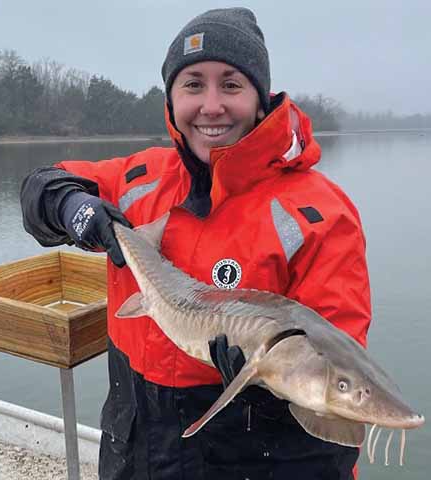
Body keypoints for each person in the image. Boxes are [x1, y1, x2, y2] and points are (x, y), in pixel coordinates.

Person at [20, 7, 371, 480]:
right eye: (192, 85)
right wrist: (70, 207)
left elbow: (336, 376)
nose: (211, 106)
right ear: (171, 99)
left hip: (246, 459)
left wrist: (267, 391)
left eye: (230, 85)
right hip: (134, 448)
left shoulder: (319, 214)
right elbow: (42, 185)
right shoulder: (138, 179)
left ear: (260, 98)